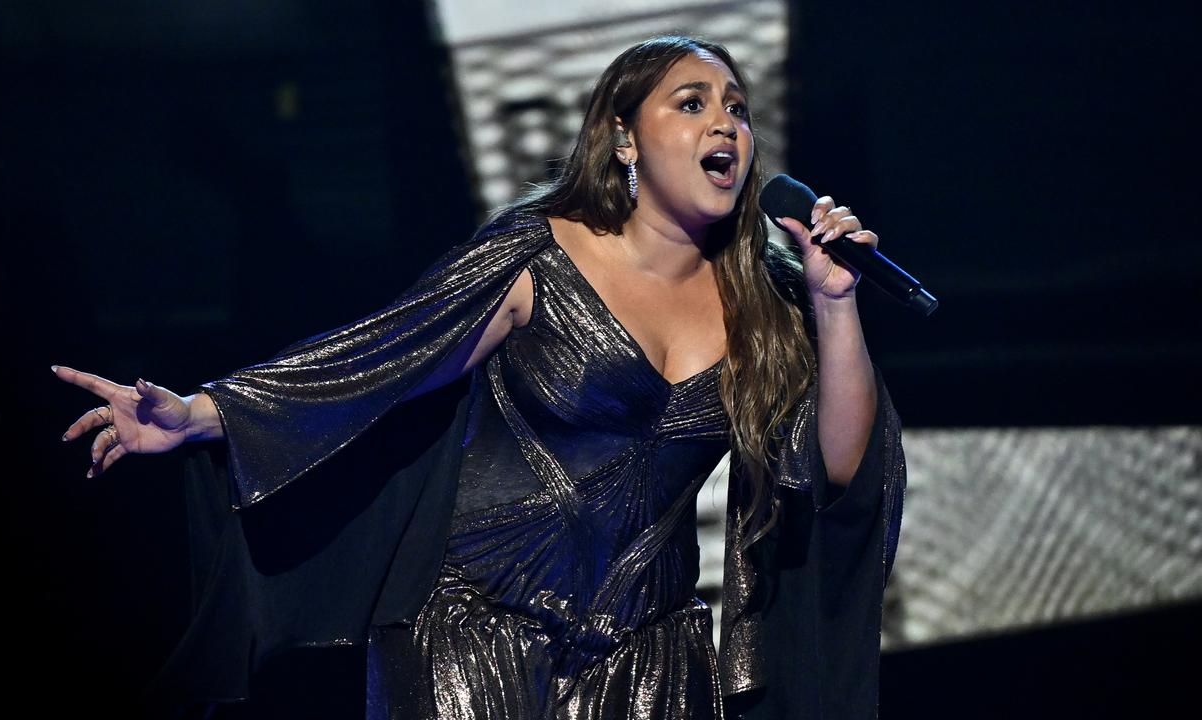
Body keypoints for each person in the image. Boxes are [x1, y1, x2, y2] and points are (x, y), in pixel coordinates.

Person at [54, 35, 905, 720]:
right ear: (623, 137)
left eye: (738, 110)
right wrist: (204, 414)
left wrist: (835, 303)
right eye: (693, 104)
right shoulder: (538, 251)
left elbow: (837, 467)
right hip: (472, 634)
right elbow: (380, 359)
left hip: (648, 657)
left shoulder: (770, 303)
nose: (726, 124)